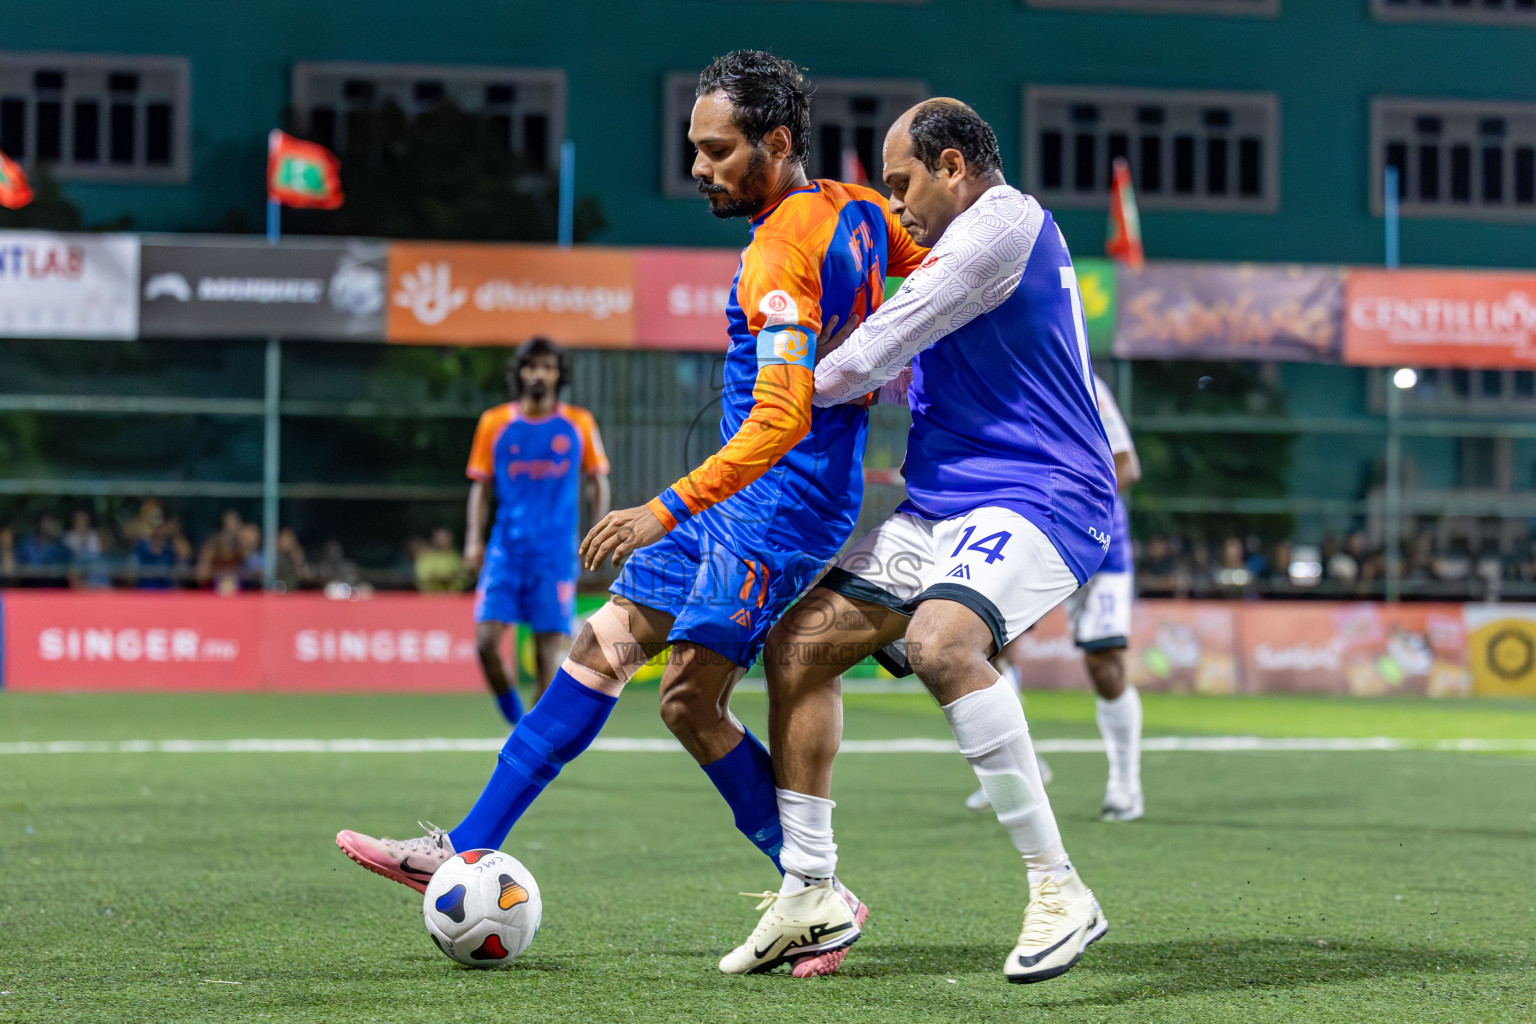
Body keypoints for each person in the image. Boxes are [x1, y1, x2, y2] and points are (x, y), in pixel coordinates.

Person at [335, 50, 925, 979]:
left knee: (690, 699)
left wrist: (661, 508)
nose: (698, 167)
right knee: (598, 651)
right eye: (694, 146)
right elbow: (929, 285)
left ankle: (815, 893)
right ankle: (464, 845)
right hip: (740, 493)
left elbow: (780, 415)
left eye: (717, 150)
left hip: (775, 505)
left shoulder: (780, 248)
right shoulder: (861, 209)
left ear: (775, 142)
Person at [737, 99, 1116, 984]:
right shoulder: (954, 247)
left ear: (953, 166)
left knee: (942, 641)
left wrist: (780, 388)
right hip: (945, 508)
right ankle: (811, 892)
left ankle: (1060, 888)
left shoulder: (1001, 228)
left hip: (1044, 495)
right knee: (798, 650)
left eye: (902, 182)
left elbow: (874, 351)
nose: (893, 201)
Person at [969, 372, 1144, 822]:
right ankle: (1023, 770)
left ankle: (1125, 783)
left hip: (1094, 537)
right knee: (980, 648)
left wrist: (1063, 502)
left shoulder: (1083, 383)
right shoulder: (993, 383)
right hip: (1026, 532)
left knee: (1104, 665)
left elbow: (1126, 467)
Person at [460, 338, 611, 724]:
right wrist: (474, 540)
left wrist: (598, 531)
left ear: (559, 374)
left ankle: (534, 739)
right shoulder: (495, 423)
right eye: (531, 366)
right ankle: (515, 719)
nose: (539, 373)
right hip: (504, 552)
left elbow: (598, 480)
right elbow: (480, 487)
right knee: (485, 643)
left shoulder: (579, 423)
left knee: (546, 654)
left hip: (554, 554)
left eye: (547, 366)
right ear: (519, 373)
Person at [414, 527, 465, 594]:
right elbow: (424, 577)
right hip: (429, 598)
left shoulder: (455, 556)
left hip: (451, 598)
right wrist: (446, 577)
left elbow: (460, 576)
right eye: (441, 538)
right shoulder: (426, 557)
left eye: (446, 538)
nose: (445, 540)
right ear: (435, 539)